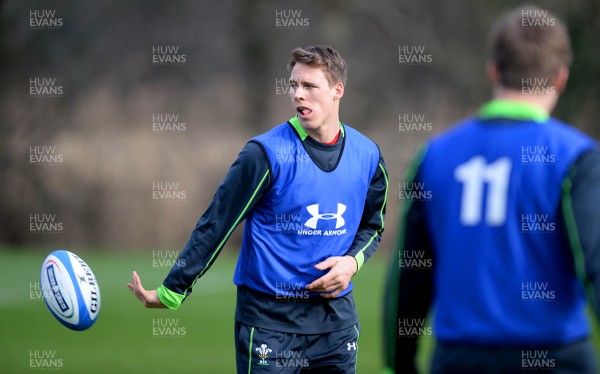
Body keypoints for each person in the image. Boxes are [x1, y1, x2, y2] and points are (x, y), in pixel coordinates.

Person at [129, 45, 388, 373]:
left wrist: (351, 262)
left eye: (309, 86)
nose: (298, 95)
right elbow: (217, 223)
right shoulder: (264, 153)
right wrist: (172, 291)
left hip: (334, 326)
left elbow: (373, 224)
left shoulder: (367, 155)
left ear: (338, 91)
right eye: (293, 86)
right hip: (269, 326)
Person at [383, 6, 599, 374]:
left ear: (494, 71)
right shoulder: (576, 156)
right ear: (560, 78)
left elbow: (410, 273)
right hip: (554, 358)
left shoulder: (434, 155)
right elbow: (594, 264)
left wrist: (400, 361)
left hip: (458, 359)